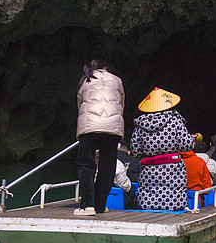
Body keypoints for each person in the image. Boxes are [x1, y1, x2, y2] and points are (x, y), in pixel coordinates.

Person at [74, 59, 125, 216]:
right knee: (107, 167)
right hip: (112, 128)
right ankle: (100, 205)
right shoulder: (117, 80)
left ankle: (87, 206)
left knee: (86, 165)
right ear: (105, 68)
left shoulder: (85, 81)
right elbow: (121, 104)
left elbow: (80, 104)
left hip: (89, 127)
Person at [130, 87, 193, 211]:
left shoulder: (141, 124)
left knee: (148, 193)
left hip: (149, 169)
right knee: (174, 193)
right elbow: (186, 145)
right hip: (172, 168)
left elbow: (135, 149)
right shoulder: (175, 121)